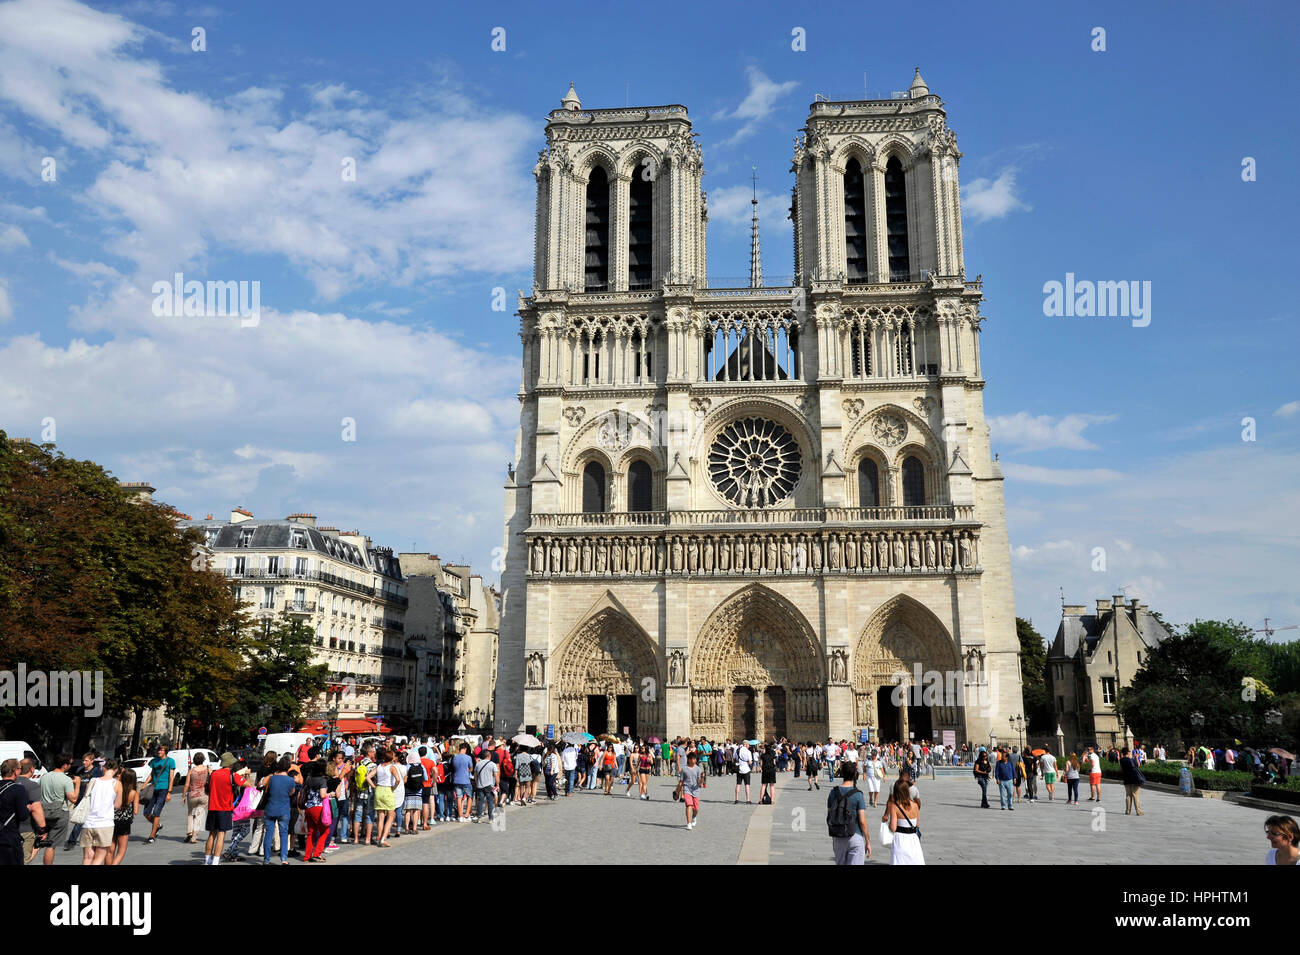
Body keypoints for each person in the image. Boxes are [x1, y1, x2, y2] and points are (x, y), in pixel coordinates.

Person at [205, 752, 249, 865]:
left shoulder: (214, 774)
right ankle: (215, 861)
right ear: (231, 763)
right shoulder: (233, 775)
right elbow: (248, 784)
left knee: (211, 835)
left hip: (212, 807)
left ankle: (207, 860)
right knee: (221, 834)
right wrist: (246, 774)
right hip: (224, 808)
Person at [0, 758, 46, 866]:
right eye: (20, 769)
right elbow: (23, 815)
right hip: (9, 836)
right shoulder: (18, 789)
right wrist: (28, 808)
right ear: (15, 771)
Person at [827, 762, 871, 865]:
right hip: (855, 835)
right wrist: (868, 841)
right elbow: (862, 821)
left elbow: (830, 814)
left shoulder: (833, 792)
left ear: (842, 773)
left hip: (838, 836)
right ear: (855, 774)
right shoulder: (858, 795)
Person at [79, 759, 120, 866]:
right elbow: (117, 805)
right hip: (105, 824)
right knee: (98, 859)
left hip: (88, 823)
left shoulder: (93, 781)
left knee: (87, 858)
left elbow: (85, 798)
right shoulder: (117, 784)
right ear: (116, 770)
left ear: (103, 768)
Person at [259, 755, 298, 865]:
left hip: (270, 808)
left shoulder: (272, 778)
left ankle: (266, 859)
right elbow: (292, 792)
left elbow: (267, 789)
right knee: (284, 834)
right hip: (284, 809)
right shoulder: (290, 780)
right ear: (288, 767)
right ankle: (284, 859)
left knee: (268, 834)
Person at [38, 753, 74, 865]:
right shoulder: (66, 779)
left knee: (38, 842)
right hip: (60, 812)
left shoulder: (44, 777)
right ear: (64, 765)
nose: (70, 766)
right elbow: (73, 798)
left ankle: (26, 860)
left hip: (44, 812)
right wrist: (77, 785)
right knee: (51, 845)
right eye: (70, 764)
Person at [883, 777, 924, 865]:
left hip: (900, 838)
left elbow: (893, 828)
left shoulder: (895, 806)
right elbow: (917, 823)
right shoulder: (915, 805)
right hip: (913, 839)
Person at [143, 744, 176, 844]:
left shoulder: (170, 761)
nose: (159, 752)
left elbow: (171, 777)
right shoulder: (154, 760)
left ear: (165, 751)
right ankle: (158, 825)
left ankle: (152, 836)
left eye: (161, 750)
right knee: (146, 812)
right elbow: (152, 774)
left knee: (156, 812)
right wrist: (144, 785)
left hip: (164, 789)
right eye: (158, 750)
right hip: (153, 788)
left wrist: (169, 792)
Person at [108, 768, 140, 865]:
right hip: (124, 822)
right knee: (121, 851)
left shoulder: (116, 789)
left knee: (110, 849)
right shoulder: (134, 793)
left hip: (111, 820)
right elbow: (136, 811)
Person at [302, 760, 331, 861]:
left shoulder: (309, 779)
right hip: (317, 807)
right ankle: (317, 853)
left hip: (308, 807)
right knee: (325, 831)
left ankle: (307, 856)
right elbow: (323, 795)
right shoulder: (322, 780)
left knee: (311, 832)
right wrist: (329, 794)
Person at [675, 750, 706, 830]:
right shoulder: (684, 769)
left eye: (694, 759)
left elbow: (700, 783)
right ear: (688, 759)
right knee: (689, 805)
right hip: (687, 789)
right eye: (691, 759)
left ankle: (694, 817)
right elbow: (681, 782)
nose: (693, 760)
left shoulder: (698, 769)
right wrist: (677, 791)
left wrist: (702, 777)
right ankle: (688, 823)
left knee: (696, 809)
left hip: (695, 790)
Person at [184, 751, 209, 843]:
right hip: (204, 795)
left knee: (190, 814)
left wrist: (183, 796)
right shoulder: (208, 769)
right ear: (203, 760)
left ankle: (189, 832)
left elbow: (186, 785)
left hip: (192, 795)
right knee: (199, 815)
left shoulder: (191, 771)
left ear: (194, 760)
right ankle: (194, 836)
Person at [473, 746, 499, 823]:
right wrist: (497, 785)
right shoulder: (493, 764)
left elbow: (475, 775)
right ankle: (491, 818)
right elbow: (496, 775)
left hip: (480, 785)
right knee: (490, 801)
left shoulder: (478, 764)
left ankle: (479, 817)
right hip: (489, 785)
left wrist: (477, 781)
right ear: (489, 756)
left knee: (480, 801)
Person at [1118, 747, 1145, 816]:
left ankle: (1127, 810)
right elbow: (1138, 765)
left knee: (1128, 795)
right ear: (1128, 753)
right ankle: (1138, 811)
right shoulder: (1130, 760)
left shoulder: (1121, 760)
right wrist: (1136, 757)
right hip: (1134, 779)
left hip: (1126, 779)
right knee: (1135, 795)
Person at [452, 743, 474, 821]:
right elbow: (471, 768)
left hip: (457, 779)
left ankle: (460, 816)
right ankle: (467, 814)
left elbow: (454, 768)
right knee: (470, 796)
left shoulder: (455, 758)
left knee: (459, 797)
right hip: (465, 780)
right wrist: (467, 770)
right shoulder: (468, 758)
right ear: (465, 749)